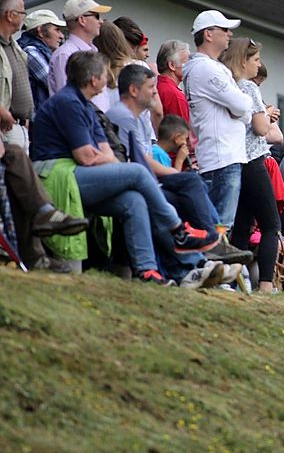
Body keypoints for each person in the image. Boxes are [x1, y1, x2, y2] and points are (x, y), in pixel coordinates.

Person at [31, 51, 218, 281]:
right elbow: (85, 157)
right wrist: (98, 157)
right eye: (104, 73)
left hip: (76, 173)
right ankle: (178, 231)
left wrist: (98, 156)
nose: (108, 78)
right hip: (56, 175)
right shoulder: (67, 103)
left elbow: (104, 153)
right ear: (93, 79)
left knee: (133, 201)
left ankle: (146, 270)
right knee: (138, 172)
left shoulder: (88, 107)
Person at [105, 65, 238, 286]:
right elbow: (139, 161)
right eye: (151, 88)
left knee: (187, 191)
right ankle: (207, 246)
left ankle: (200, 258)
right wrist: (175, 173)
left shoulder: (137, 119)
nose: (155, 94)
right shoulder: (123, 116)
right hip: (135, 183)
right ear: (134, 90)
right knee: (186, 185)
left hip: (144, 181)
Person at [221, 38, 281, 293]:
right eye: (255, 60)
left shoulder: (229, 85)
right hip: (254, 161)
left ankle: (235, 280)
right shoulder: (249, 87)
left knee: (242, 226)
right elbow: (261, 128)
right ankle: (266, 282)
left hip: (235, 160)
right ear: (243, 61)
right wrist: (268, 116)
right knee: (271, 225)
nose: (259, 65)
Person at [182, 9, 252, 231]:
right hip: (221, 157)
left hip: (220, 155)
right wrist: (240, 107)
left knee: (220, 224)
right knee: (221, 225)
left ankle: (217, 263)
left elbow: (243, 112)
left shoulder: (210, 67)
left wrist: (240, 108)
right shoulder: (206, 68)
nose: (229, 35)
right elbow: (242, 106)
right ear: (208, 34)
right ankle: (215, 264)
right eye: (224, 30)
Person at [48, 0, 112, 112]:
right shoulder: (65, 54)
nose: (101, 21)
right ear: (82, 20)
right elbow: (68, 101)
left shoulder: (93, 51)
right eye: (97, 16)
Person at [0, 0, 35, 150]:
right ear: (10, 15)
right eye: (22, 12)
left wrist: (25, 119)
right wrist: (2, 112)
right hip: (4, 128)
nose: (24, 17)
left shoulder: (12, 44)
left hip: (18, 127)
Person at [18, 8, 65, 109]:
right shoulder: (31, 51)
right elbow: (54, 84)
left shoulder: (43, 51)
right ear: (40, 31)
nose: (61, 36)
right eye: (57, 30)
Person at [155, 40, 192, 125]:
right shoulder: (175, 96)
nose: (191, 67)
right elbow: (181, 134)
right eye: (187, 63)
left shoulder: (155, 85)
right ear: (172, 65)